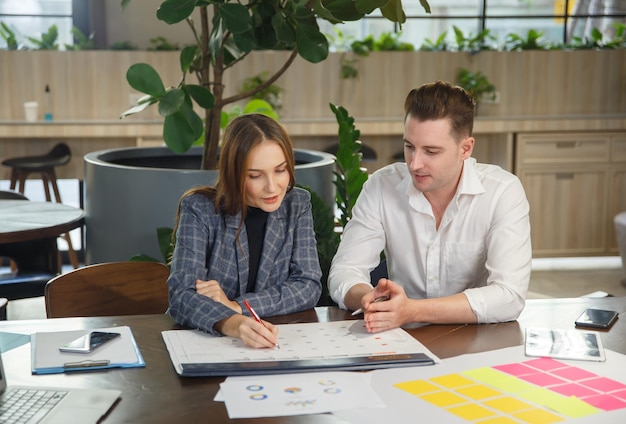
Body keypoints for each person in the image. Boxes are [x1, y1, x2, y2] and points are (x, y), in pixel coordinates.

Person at [328, 80, 531, 333]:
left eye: (431, 152)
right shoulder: (381, 187)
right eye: (409, 147)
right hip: (401, 337)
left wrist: (412, 310)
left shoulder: (502, 192)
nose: (414, 164)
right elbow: (344, 271)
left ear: (465, 148)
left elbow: (509, 296)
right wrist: (367, 298)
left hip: (476, 337)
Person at [167, 113, 322, 348]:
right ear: (234, 172)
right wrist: (234, 323)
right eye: (255, 175)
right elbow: (181, 295)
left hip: (278, 344)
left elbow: (308, 285)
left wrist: (236, 305)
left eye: (280, 170)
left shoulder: (297, 204)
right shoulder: (199, 209)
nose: (272, 186)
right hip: (213, 347)